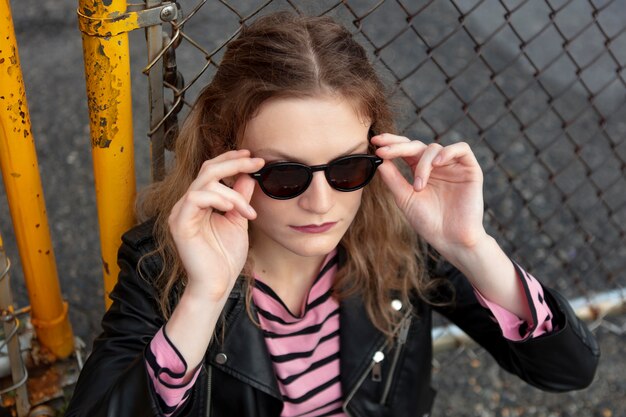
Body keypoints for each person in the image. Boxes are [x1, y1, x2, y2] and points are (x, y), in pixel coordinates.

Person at [65, 11, 599, 417]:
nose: (321, 203)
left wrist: (471, 247)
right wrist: (204, 297)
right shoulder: (164, 264)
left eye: (347, 168)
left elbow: (566, 372)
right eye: (285, 175)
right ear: (223, 152)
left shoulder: (400, 241)